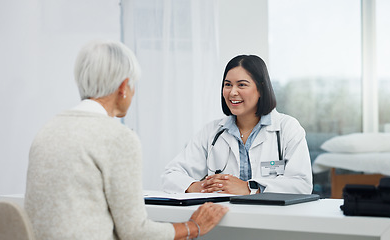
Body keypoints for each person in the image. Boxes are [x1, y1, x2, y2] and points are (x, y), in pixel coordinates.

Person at [24, 40, 228, 240]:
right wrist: (193, 227)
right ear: (123, 87)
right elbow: (135, 232)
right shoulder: (118, 137)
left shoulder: (47, 130)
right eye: (133, 86)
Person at [161, 55, 313, 195]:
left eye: (242, 85)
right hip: (224, 220)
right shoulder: (212, 132)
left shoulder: (287, 128)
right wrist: (196, 186)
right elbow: (171, 175)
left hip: (273, 220)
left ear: (260, 88)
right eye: (228, 85)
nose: (232, 92)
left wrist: (250, 188)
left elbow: (302, 184)